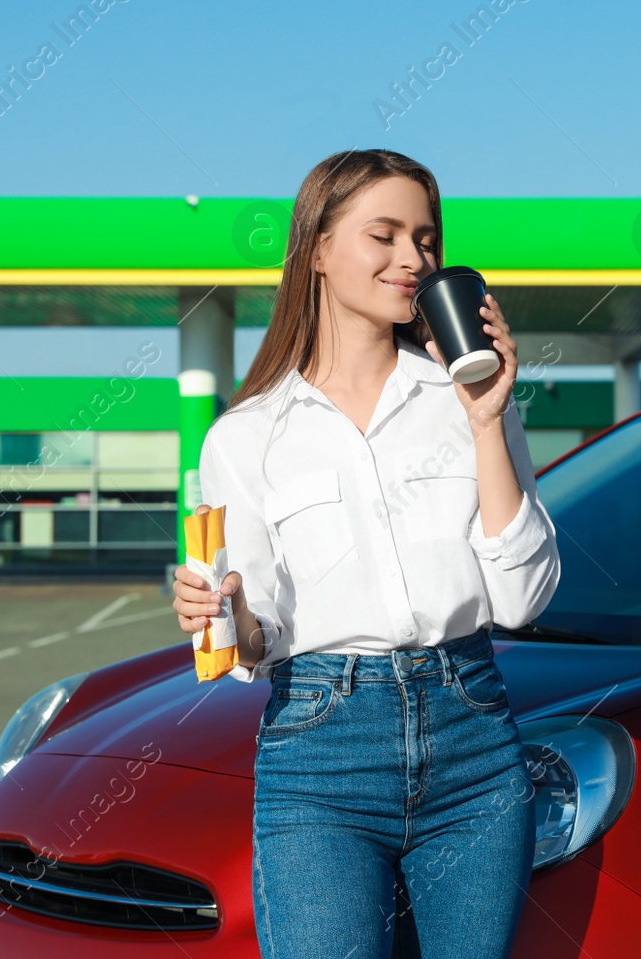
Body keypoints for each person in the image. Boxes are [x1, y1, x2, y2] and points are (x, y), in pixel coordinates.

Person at [170, 149, 560, 958]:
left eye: (424, 238)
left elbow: (522, 598)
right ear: (316, 247)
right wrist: (227, 612)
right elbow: (256, 639)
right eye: (382, 235)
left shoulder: (469, 396)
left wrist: (488, 420)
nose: (413, 260)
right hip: (322, 754)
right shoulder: (246, 437)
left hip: (475, 737)